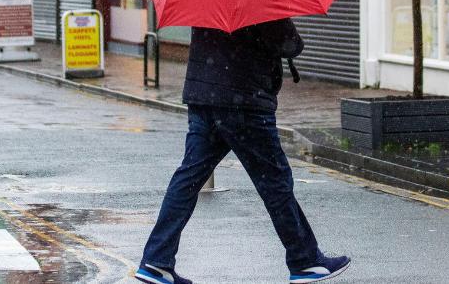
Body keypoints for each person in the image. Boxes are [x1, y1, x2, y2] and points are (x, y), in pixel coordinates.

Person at [135, 19, 351, 284]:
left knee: (188, 179)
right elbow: (289, 44)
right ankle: (305, 261)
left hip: (204, 97)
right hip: (244, 101)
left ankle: (156, 260)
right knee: (275, 182)